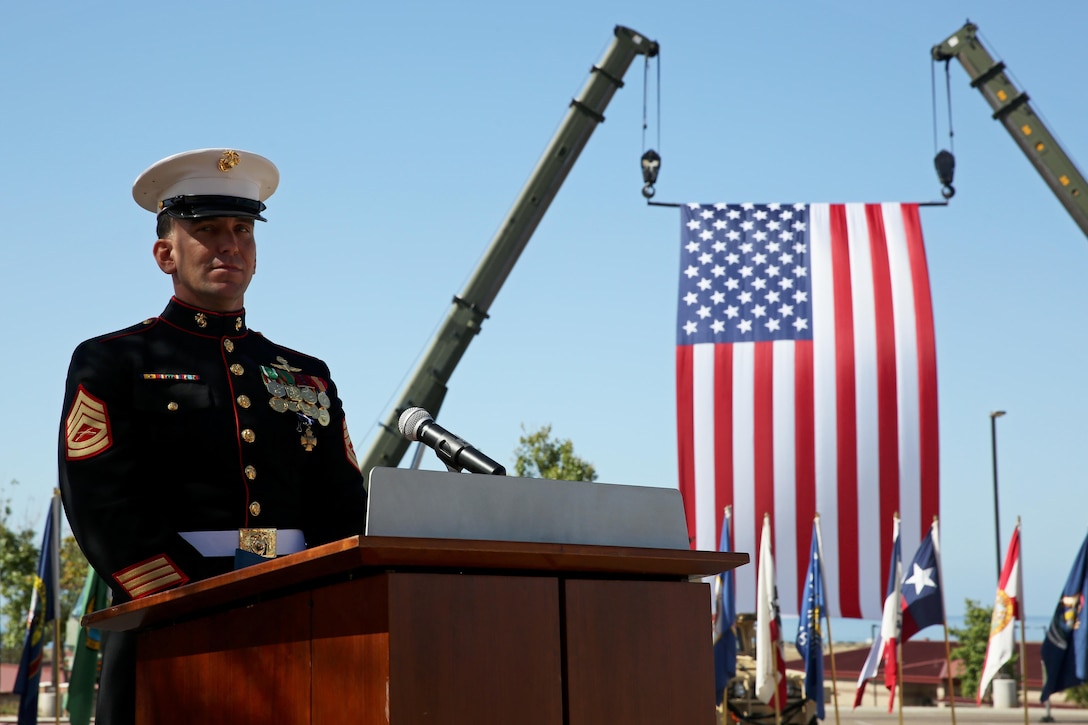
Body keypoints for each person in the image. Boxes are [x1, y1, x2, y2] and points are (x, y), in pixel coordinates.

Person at [58, 148, 369, 724]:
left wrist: (332, 599)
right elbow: (102, 504)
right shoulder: (114, 361)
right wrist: (189, 600)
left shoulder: (306, 373)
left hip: (299, 622)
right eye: (207, 230)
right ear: (164, 253)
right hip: (169, 626)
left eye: (243, 230)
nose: (230, 244)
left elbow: (344, 505)